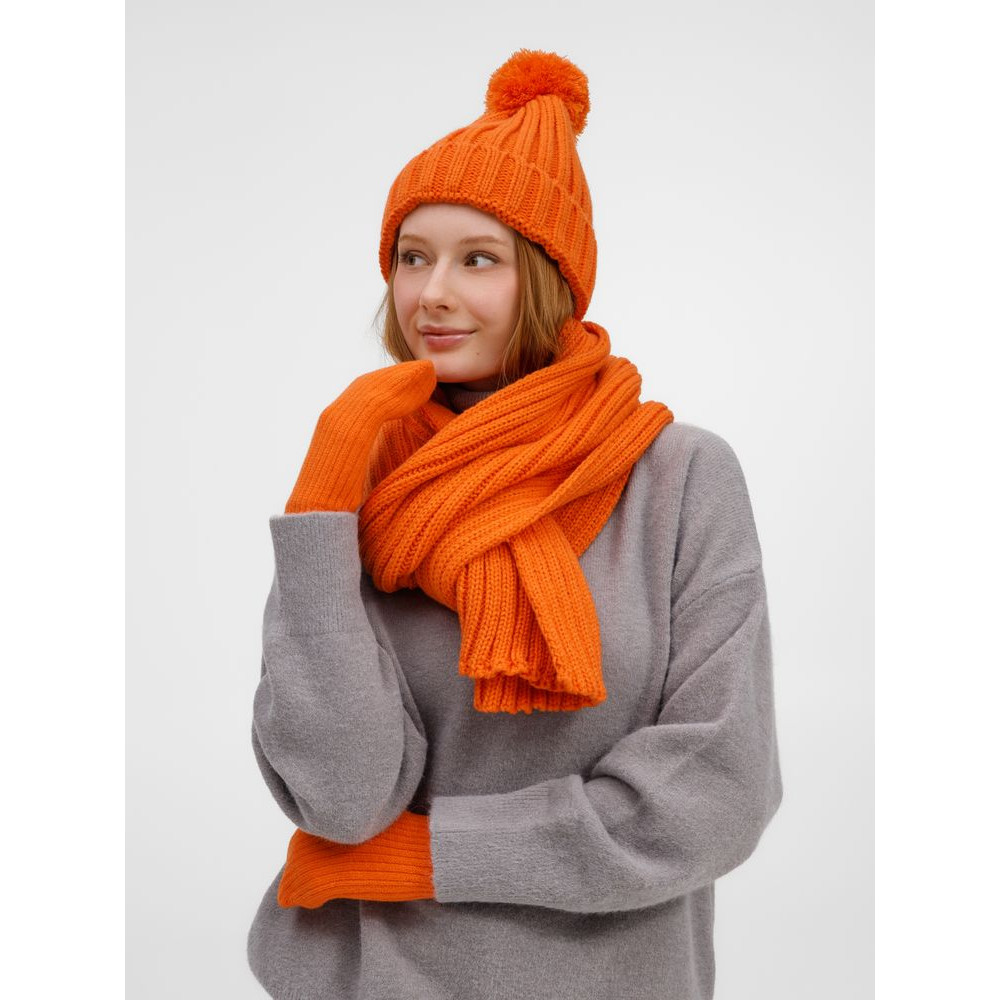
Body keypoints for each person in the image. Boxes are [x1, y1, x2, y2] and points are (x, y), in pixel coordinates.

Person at [247, 49, 783, 1000]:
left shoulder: (678, 476)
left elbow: (719, 791)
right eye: (412, 257)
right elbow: (342, 800)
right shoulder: (365, 484)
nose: (431, 294)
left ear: (548, 277)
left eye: (478, 259)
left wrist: (429, 859)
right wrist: (323, 507)